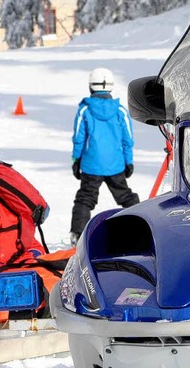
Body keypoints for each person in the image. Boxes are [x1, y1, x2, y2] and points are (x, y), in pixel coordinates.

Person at [69, 68, 140, 246]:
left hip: (92, 165)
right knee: (125, 196)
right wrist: (128, 161)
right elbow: (127, 139)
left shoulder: (85, 109)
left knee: (85, 198)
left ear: (90, 87)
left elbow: (79, 137)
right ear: (110, 87)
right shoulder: (120, 111)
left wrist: (76, 160)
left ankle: (77, 234)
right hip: (115, 164)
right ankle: (142, 226)